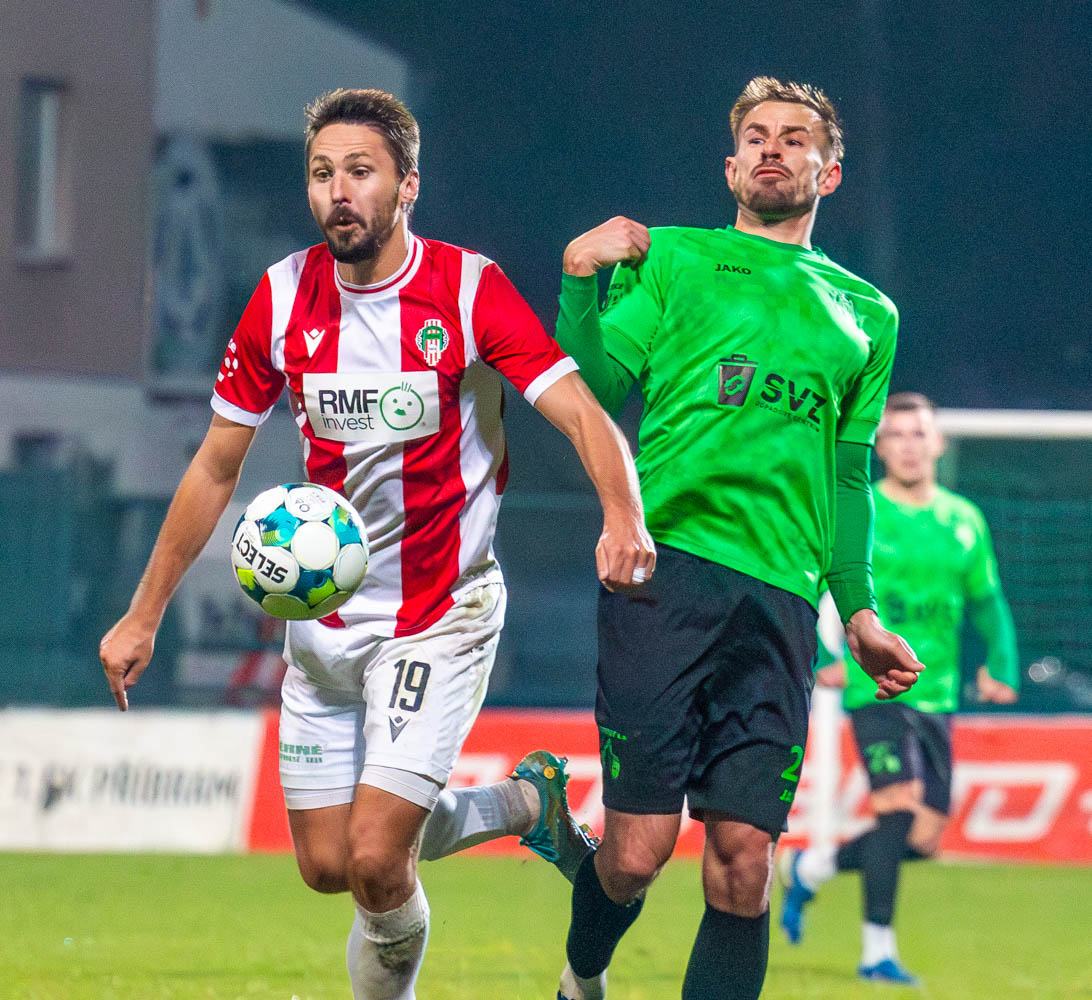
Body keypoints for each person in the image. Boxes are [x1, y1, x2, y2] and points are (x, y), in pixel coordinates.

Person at [99, 88, 655, 1000]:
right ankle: (527, 804)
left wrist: (622, 514)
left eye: (360, 171)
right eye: (322, 173)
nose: (338, 191)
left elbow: (579, 413)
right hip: (324, 622)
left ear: (407, 186)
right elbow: (214, 466)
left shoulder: (467, 289)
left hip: (441, 615)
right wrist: (143, 612)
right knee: (327, 865)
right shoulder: (282, 297)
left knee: (374, 856)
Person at [549, 76, 926, 1000]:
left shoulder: (868, 313)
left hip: (782, 602)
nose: (771, 147)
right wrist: (578, 278)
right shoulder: (674, 258)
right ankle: (580, 977)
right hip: (665, 575)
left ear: (827, 174)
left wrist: (860, 611)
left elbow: (847, 477)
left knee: (745, 862)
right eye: (755, 135)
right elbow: (594, 385)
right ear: (730, 166)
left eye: (794, 138)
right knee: (636, 855)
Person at [780, 391, 1019, 984]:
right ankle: (876, 952)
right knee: (896, 810)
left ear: (939, 443)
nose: (909, 446)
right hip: (878, 689)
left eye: (919, 433)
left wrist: (1002, 666)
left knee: (925, 836)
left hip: (939, 693)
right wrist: (823, 656)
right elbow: (807, 584)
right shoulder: (861, 511)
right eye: (896, 435)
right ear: (878, 446)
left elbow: (988, 602)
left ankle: (812, 868)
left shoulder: (964, 519)